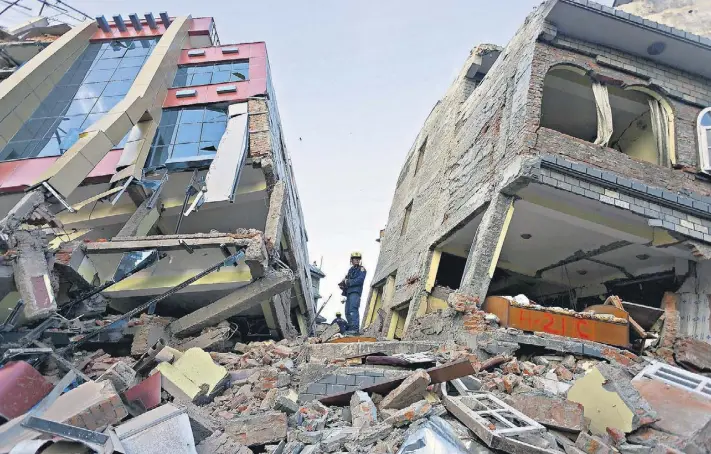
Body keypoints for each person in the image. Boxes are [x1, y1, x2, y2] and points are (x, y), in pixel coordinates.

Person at [338, 252, 366, 334]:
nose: (357, 260)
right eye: (355, 259)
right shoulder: (350, 270)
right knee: (347, 311)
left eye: (358, 259)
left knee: (353, 310)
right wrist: (343, 283)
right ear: (352, 260)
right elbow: (346, 279)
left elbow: (360, 280)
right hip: (349, 293)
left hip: (355, 292)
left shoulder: (362, 269)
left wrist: (349, 282)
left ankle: (354, 329)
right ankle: (350, 329)